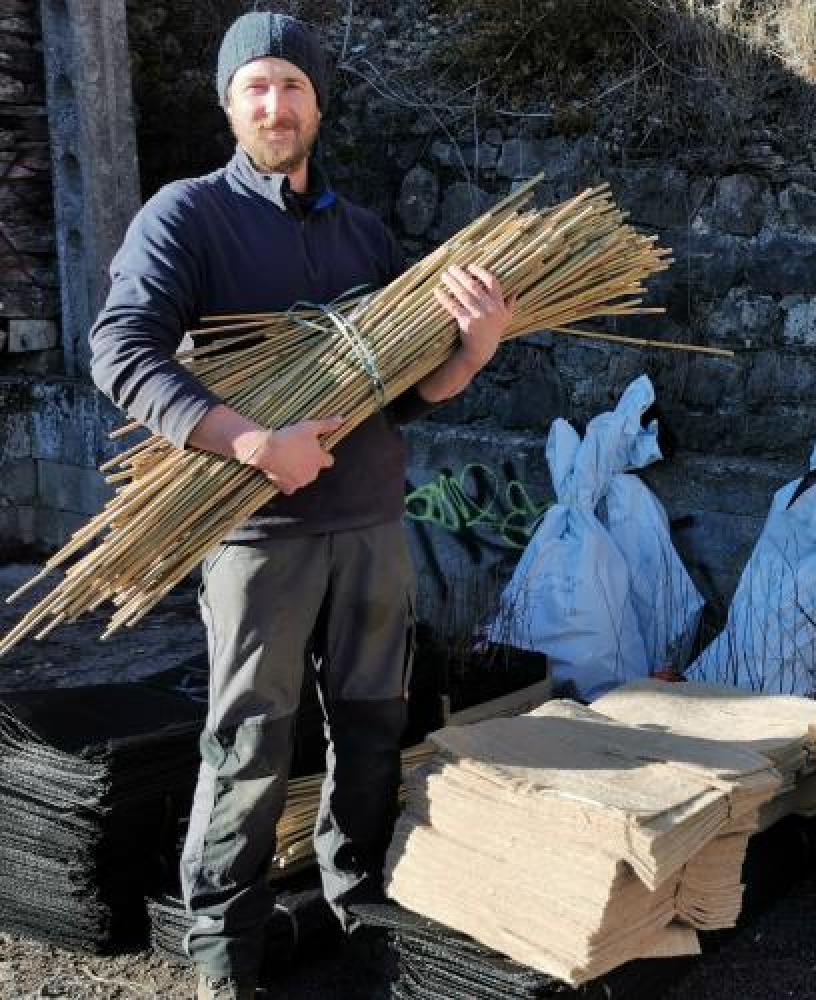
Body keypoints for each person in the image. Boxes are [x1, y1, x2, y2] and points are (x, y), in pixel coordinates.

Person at [88, 13, 513, 1000]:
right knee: (248, 746)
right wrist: (250, 442)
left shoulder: (364, 234)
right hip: (258, 537)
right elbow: (120, 351)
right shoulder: (185, 217)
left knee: (373, 734)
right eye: (256, 88)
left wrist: (475, 351)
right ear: (231, 104)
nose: (274, 106)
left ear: (320, 103)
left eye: (291, 87)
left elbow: (410, 389)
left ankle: (359, 926)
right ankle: (222, 965)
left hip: (370, 527)